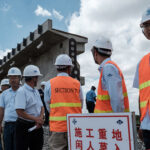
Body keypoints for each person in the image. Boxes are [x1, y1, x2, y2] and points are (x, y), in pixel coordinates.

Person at [44, 54, 83, 150]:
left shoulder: (49, 84)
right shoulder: (77, 83)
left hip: (57, 128)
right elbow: (81, 103)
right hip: (75, 127)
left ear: (57, 68)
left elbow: (48, 105)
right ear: (69, 68)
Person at [91, 37, 129, 113]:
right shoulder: (109, 66)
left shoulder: (108, 67)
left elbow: (116, 99)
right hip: (108, 121)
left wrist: (119, 120)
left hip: (110, 121)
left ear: (95, 52)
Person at [15, 65, 44, 150]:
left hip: (37, 126)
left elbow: (41, 107)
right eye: (37, 77)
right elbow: (19, 112)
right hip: (23, 126)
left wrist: (40, 119)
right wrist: (36, 119)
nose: (38, 79)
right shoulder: (22, 91)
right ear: (33, 78)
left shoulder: (35, 91)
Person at [133, 7, 150, 150]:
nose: (149, 28)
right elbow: (141, 96)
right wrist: (142, 123)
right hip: (148, 127)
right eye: (146, 25)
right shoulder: (142, 63)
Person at [0, 67, 21, 150]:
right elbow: (1, 110)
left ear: (20, 78)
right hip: (7, 125)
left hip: (20, 124)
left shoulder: (24, 92)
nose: (13, 80)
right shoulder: (4, 94)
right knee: (8, 147)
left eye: (15, 77)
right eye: (11, 78)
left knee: (18, 147)